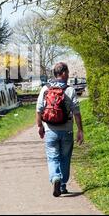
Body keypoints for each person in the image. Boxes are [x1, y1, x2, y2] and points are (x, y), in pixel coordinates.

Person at [36, 62, 84, 197]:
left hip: (50, 130)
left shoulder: (45, 89)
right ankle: (62, 185)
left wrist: (40, 126)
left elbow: (39, 110)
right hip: (67, 130)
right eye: (67, 73)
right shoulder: (70, 90)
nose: (68, 75)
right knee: (65, 158)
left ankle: (55, 178)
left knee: (52, 158)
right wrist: (80, 130)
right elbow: (76, 112)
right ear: (63, 73)